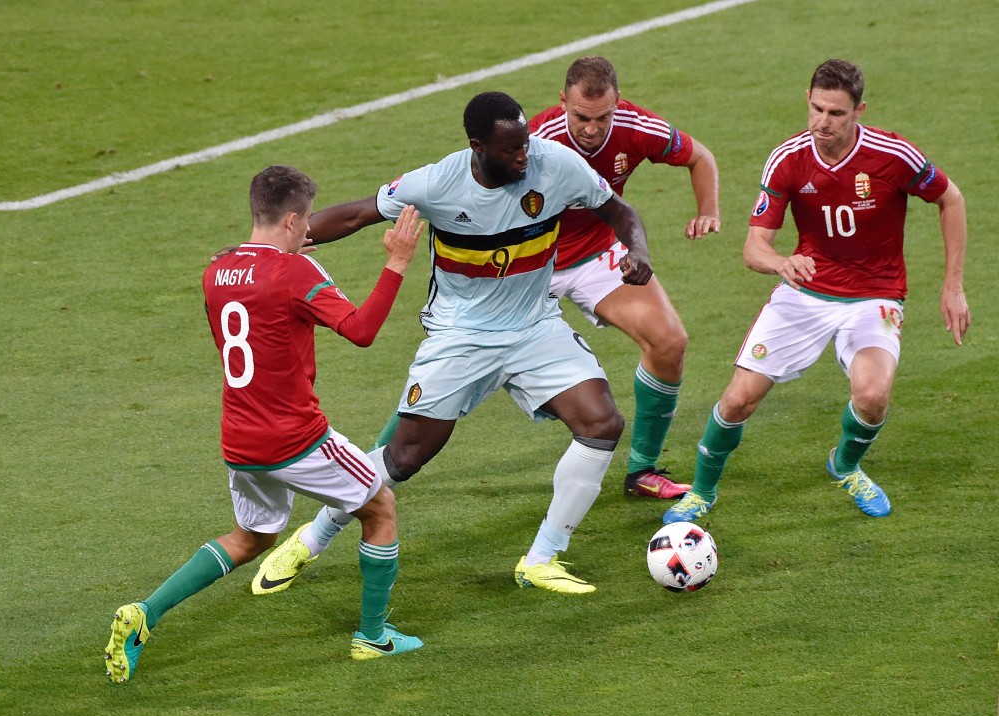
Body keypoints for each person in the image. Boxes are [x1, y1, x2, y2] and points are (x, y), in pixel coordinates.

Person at [252, 91, 655, 596]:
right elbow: (356, 216)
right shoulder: (436, 183)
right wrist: (265, 250)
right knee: (404, 457)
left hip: (534, 326)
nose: (524, 156)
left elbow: (619, 211)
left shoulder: (555, 165)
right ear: (477, 147)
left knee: (601, 424)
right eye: (511, 150)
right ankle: (311, 538)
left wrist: (638, 250)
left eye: (526, 144)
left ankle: (542, 558)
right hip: (461, 336)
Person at [104, 165, 426, 684]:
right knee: (380, 508)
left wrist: (285, 260)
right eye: (306, 222)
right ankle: (373, 636)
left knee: (252, 538)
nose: (310, 231)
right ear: (292, 219)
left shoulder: (216, 270)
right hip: (296, 438)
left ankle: (146, 613)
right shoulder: (296, 272)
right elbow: (361, 330)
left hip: (241, 439)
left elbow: (253, 300)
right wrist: (397, 262)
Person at [663, 58, 970, 524]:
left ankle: (845, 466)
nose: (822, 122)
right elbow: (753, 248)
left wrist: (953, 286)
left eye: (836, 113)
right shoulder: (788, 159)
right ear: (807, 101)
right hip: (804, 292)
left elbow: (951, 199)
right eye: (817, 109)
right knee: (738, 399)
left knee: (872, 397)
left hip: (875, 295)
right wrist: (781, 262)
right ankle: (701, 494)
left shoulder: (893, 155)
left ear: (859, 111)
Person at [529, 55, 720, 499]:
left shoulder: (636, 126)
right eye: (582, 117)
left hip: (597, 254)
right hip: (530, 265)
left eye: (603, 117)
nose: (592, 129)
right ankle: (382, 461)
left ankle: (642, 471)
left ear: (618, 102)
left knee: (669, 342)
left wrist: (708, 211)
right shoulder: (536, 140)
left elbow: (701, 157)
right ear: (562, 102)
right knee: (459, 364)